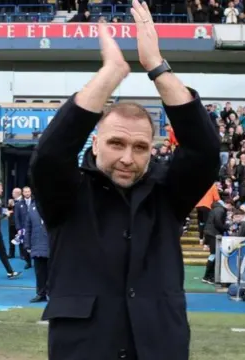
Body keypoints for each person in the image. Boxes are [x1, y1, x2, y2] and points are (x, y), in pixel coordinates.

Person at [29, 3, 220, 359]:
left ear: (152, 150)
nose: (128, 158)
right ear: (96, 142)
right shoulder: (67, 195)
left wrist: (156, 66)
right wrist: (111, 73)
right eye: (116, 143)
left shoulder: (167, 195)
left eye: (140, 147)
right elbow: (51, 154)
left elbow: (205, 152)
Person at [24, 201, 49, 303]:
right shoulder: (32, 208)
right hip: (37, 245)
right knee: (39, 272)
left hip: (51, 245)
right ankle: (41, 293)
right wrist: (27, 244)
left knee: (52, 272)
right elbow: (28, 228)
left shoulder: (53, 206)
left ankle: (52, 293)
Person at [202, 200, 230, 284]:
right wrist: (226, 227)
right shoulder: (220, 210)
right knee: (214, 255)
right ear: (227, 204)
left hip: (210, 233)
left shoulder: (216, 209)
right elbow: (218, 222)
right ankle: (208, 276)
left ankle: (208, 276)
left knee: (213, 255)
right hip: (213, 234)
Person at [7, 188, 21, 258]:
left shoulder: (22, 201)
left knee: (21, 239)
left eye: (13, 192)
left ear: (17, 193)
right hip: (11, 223)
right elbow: (9, 211)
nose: (12, 194)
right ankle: (11, 253)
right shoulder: (11, 201)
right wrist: (10, 205)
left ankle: (23, 254)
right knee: (11, 239)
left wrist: (14, 205)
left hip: (19, 223)